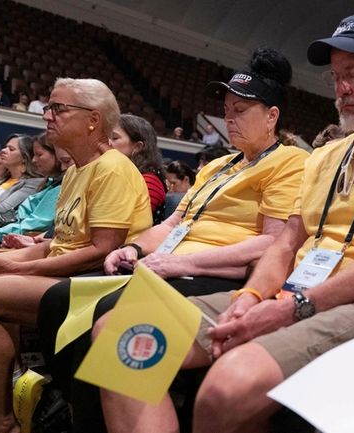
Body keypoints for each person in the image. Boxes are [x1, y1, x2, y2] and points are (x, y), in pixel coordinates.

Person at [97, 12, 354, 433]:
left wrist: (293, 307)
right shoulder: (326, 156)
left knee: (228, 386)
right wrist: (252, 295)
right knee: (118, 333)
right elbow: (287, 242)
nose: (341, 88)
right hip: (293, 291)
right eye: (335, 77)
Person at [37, 47, 308, 432]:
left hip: (220, 270)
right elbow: (171, 225)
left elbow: (273, 243)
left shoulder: (290, 162)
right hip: (168, 264)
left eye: (240, 111)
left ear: (272, 116)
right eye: (227, 110)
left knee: (104, 312)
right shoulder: (216, 165)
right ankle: (76, 408)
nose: (228, 119)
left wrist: (182, 263)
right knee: (57, 300)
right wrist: (131, 247)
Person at [0, 77, 152, 433]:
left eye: (58, 108)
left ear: (93, 120)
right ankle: (14, 397)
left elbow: (101, 251)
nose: (48, 115)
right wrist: (4, 262)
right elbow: (57, 242)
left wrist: (17, 270)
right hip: (68, 272)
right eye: (48, 107)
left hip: (100, 282)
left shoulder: (113, 168)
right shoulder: (77, 169)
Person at [0, 133, 68, 241]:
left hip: (7, 236)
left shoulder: (54, 187)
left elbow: (34, 223)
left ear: (56, 155)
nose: (34, 160)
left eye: (39, 155)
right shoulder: (48, 184)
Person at [110, 114, 167, 224]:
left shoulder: (150, 180)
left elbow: (127, 222)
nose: (108, 142)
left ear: (137, 147)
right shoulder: (116, 172)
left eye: (115, 138)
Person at [0, 134, 44, 227]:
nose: (3, 150)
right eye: (5, 147)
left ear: (24, 158)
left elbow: (4, 209)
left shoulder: (34, 183)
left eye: (11, 149)